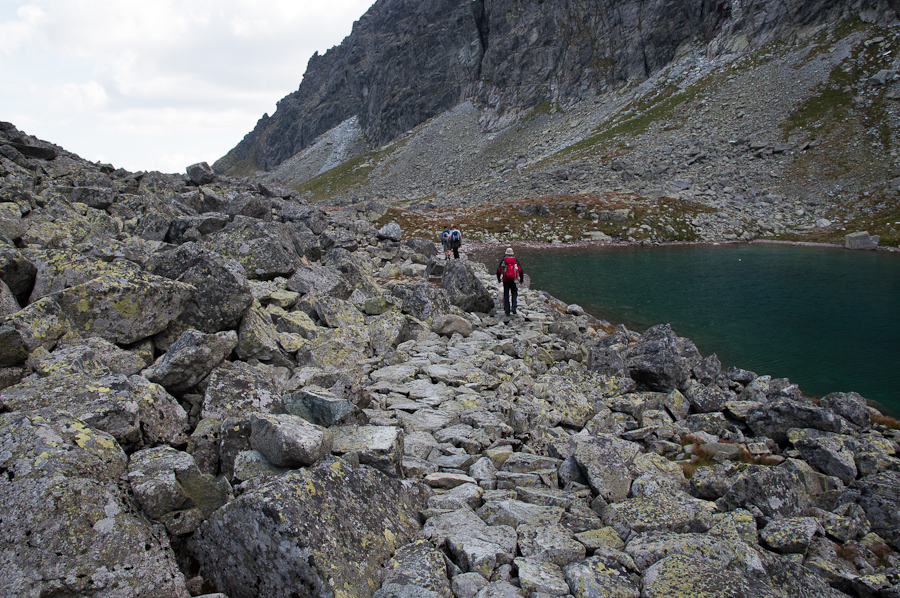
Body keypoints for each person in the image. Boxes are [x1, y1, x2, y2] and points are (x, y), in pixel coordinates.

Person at [496, 247, 524, 316]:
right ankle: (514, 307)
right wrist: (521, 280)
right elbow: (520, 270)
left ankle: (507, 310)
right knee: (514, 293)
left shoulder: (504, 260)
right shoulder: (515, 260)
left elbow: (499, 270)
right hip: (513, 280)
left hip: (506, 280)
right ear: (512, 253)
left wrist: (499, 279)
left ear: (506, 253)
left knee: (506, 294)